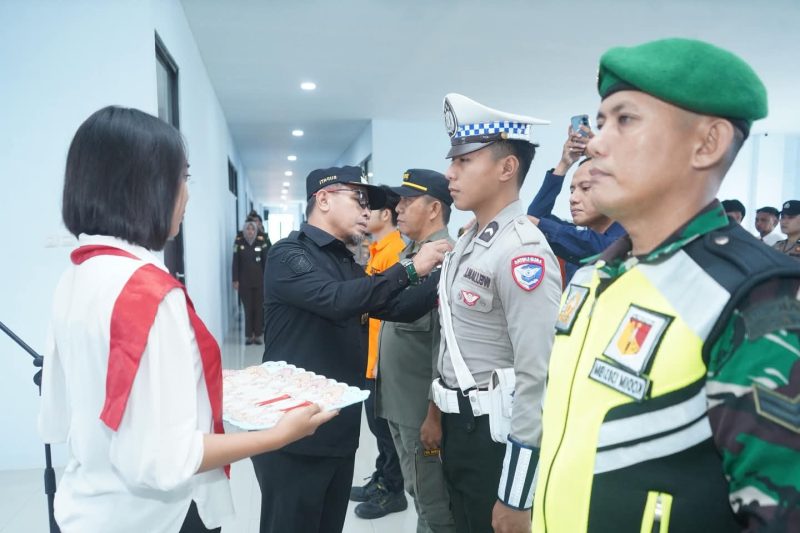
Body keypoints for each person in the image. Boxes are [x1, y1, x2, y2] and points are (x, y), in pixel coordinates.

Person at [532, 38, 800, 532]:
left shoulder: (755, 296)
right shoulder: (596, 275)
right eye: (601, 122)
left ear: (707, 143)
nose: (596, 143)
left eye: (625, 120)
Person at [38, 106, 335, 533]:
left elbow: (71, 405)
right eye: (182, 178)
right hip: (155, 518)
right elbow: (165, 458)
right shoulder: (149, 294)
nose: (187, 195)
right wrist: (278, 436)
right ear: (144, 186)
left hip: (88, 505)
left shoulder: (79, 273)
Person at [251, 165, 452, 533]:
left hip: (337, 433)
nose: (366, 211)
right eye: (359, 200)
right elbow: (336, 300)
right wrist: (410, 268)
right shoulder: (289, 254)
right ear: (323, 199)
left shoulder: (344, 262)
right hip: (292, 436)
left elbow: (398, 307)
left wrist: (447, 272)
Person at [434, 93, 562, 533]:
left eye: (464, 161)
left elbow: (536, 374)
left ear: (507, 168)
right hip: (460, 427)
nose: (450, 173)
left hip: (495, 438)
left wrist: (516, 494)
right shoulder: (471, 240)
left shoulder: (522, 252)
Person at [374, 169, 458, 532]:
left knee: (432, 501)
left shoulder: (445, 260)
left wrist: (433, 414)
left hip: (420, 409)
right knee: (417, 491)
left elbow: (446, 347)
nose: (398, 208)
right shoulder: (410, 256)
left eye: (408, 201)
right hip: (398, 403)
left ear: (434, 208)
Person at [351, 185, 408, 519]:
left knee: (386, 431)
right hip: (372, 357)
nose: (363, 214)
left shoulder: (394, 252)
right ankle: (382, 478)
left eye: (369, 209)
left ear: (386, 215)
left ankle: (393, 491)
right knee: (378, 428)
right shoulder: (377, 250)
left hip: (384, 362)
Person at [526, 126, 626, 283]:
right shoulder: (575, 239)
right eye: (572, 190)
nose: (573, 198)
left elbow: (605, 247)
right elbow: (535, 218)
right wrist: (564, 164)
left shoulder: (632, 239)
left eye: (585, 188)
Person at [232, 220, 268, 344]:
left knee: (258, 309)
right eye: (248, 229)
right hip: (244, 283)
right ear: (244, 230)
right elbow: (235, 262)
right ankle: (249, 336)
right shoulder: (239, 243)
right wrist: (235, 279)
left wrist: (267, 280)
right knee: (248, 309)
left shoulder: (261, 243)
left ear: (255, 231)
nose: (250, 231)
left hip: (259, 282)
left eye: (252, 229)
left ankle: (257, 335)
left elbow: (266, 262)